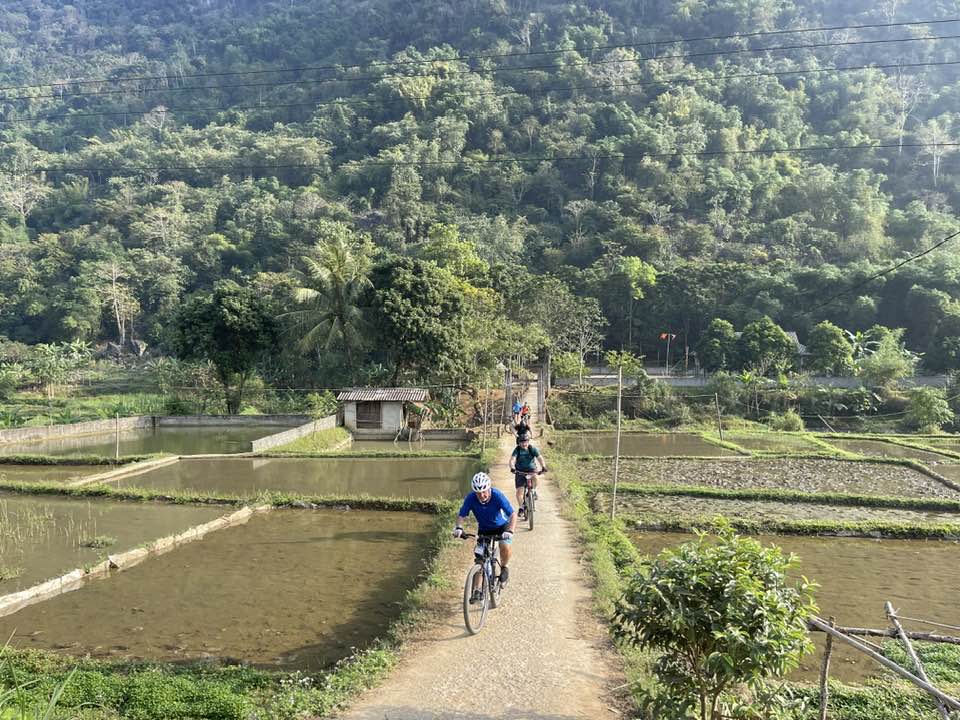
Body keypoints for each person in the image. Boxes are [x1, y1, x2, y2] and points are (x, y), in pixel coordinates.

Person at [453, 471, 517, 601]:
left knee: (504, 546)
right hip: (484, 530)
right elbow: (461, 515)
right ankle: (477, 590)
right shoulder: (471, 498)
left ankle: (504, 567)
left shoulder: (497, 495)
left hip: (502, 527)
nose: (481, 495)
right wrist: (459, 528)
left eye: (484, 491)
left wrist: (510, 530)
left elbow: (512, 514)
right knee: (480, 559)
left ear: (489, 488)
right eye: (478, 492)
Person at [509, 433, 547, 519]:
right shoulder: (517, 450)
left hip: (531, 470)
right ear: (519, 443)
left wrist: (543, 466)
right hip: (520, 471)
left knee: (536, 478)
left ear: (528, 441)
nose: (524, 444)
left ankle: (532, 491)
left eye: (525, 442)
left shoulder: (531, 448)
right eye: (522, 442)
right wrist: (512, 467)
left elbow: (539, 458)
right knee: (519, 492)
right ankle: (522, 507)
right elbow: (512, 459)